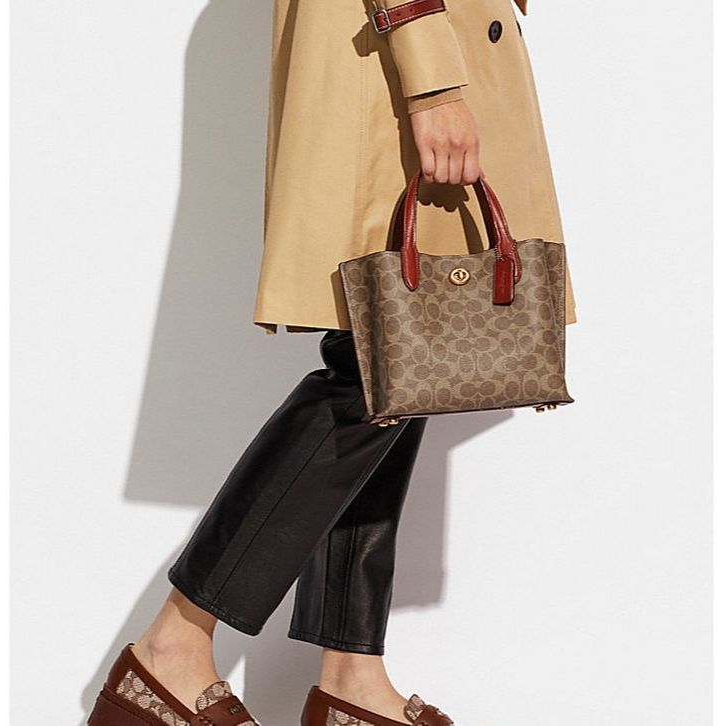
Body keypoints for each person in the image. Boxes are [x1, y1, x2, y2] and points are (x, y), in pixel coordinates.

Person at [88, 0, 577, 724]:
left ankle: (351, 677)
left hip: (412, 46)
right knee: (375, 369)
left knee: (404, 363)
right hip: (393, 54)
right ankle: (172, 649)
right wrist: (434, 81)